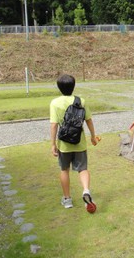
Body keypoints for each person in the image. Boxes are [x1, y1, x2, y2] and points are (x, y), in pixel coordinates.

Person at [50, 74, 98, 212]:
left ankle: (67, 200)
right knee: (82, 169)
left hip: (64, 145)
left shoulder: (55, 103)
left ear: (59, 87)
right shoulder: (81, 101)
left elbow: (54, 125)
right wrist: (93, 137)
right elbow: (88, 120)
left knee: (64, 170)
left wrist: (53, 144)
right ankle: (86, 190)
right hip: (79, 142)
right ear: (73, 86)